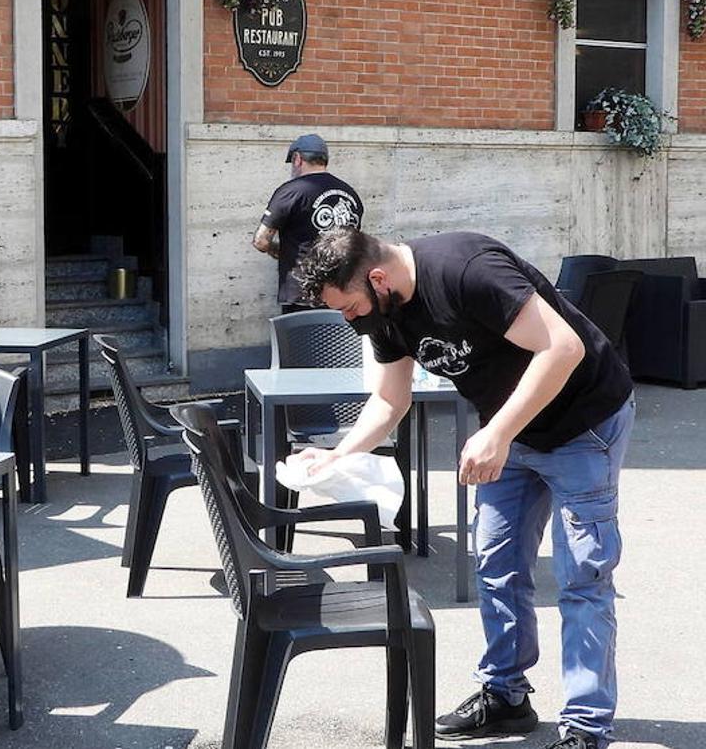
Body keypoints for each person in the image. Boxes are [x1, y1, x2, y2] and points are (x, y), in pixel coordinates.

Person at [292, 226, 634, 749]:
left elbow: (561, 348)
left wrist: (495, 433)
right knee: (496, 563)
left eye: (353, 309)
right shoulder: (385, 313)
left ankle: (586, 727)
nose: (351, 322)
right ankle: (506, 697)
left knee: (582, 576)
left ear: (378, 278)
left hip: (582, 425)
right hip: (511, 430)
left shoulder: (466, 269)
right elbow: (390, 401)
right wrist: (339, 456)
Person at [251, 133, 363, 314]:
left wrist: (279, 251)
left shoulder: (290, 191)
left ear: (297, 159)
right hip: (342, 294)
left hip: (302, 293)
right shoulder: (350, 194)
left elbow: (261, 240)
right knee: (338, 343)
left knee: (300, 343)